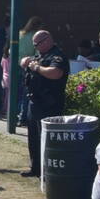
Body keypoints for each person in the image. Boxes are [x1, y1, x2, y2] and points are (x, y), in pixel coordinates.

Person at [19, 29, 69, 180]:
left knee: (46, 138)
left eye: (37, 44)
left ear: (47, 41)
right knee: (33, 137)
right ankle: (35, 168)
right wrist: (26, 62)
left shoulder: (57, 56)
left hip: (49, 104)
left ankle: (46, 171)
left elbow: (55, 73)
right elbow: (24, 62)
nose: (36, 47)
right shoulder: (40, 55)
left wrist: (37, 68)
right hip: (34, 102)